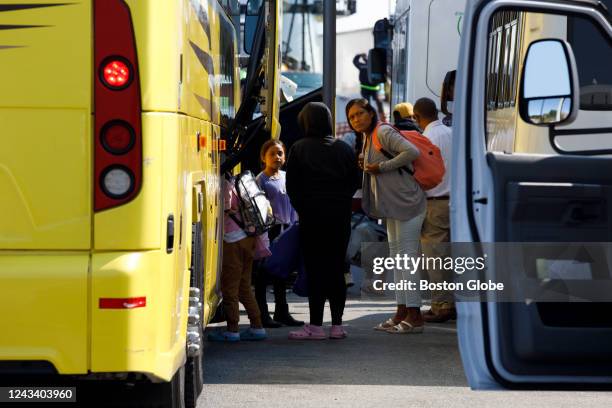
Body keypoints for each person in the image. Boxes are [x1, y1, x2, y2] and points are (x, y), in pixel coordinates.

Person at [346, 98, 427, 334]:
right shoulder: (367, 136)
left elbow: (412, 151)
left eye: (360, 113)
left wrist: (381, 167)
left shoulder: (381, 131)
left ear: (371, 113)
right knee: (398, 258)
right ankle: (402, 311)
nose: (356, 119)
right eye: (351, 117)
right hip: (393, 206)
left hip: (409, 203)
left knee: (407, 260)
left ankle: (415, 316)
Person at [286, 102, 359, 340]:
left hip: (312, 218)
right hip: (339, 217)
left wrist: (304, 208)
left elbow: (292, 187)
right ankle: (337, 325)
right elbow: (354, 183)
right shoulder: (344, 149)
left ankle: (316, 326)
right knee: (338, 269)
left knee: (315, 270)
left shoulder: (299, 148)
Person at [207, 174, 267, 342]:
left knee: (230, 288)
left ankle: (232, 329)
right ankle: (257, 326)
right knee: (244, 287)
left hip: (232, 240)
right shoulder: (241, 182)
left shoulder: (225, 184)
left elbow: (227, 210)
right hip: (249, 238)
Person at [413, 97, 456, 322]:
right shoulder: (452, 133)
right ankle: (450, 302)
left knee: (435, 258)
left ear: (417, 117)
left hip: (434, 203)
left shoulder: (425, 139)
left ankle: (442, 305)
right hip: (455, 203)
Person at [254, 140, 304, 328]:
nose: (277, 157)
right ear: (263, 157)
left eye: (280, 153)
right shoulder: (261, 180)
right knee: (263, 275)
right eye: (273, 153)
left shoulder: (286, 177)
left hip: (287, 230)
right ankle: (262, 314)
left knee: (281, 274)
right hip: (269, 231)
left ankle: (282, 312)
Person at [353, 53, 386, 121]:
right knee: (377, 105)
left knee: (367, 106)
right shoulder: (374, 65)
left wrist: (359, 55)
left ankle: (371, 119)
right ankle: (381, 119)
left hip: (366, 89)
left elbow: (355, 61)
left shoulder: (362, 66)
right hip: (373, 89)